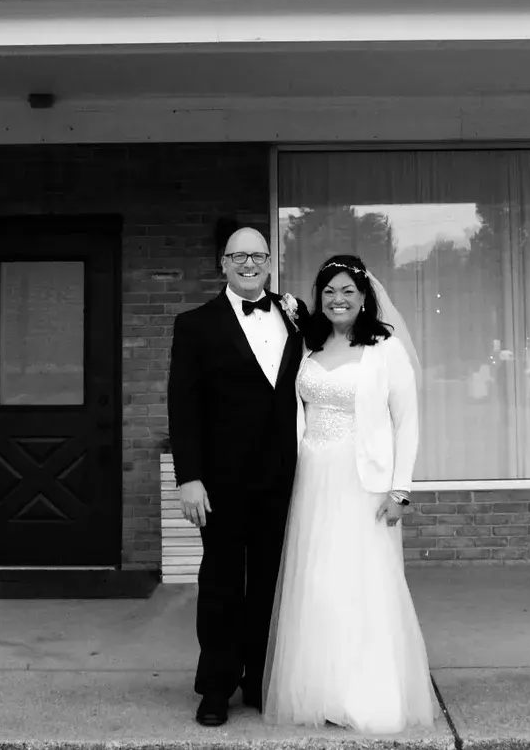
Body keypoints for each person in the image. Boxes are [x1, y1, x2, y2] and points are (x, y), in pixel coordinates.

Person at [263, 254, 438, 734]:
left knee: (362, 584)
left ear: (364, 298)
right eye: (328, 291)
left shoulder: (385, 349)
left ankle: (363, 694)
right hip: (312, 479)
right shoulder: (309, 344)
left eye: (347, 291)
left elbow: (407, 422)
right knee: (317, 583)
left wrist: (400, 491)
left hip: (363, 485)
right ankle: (322, 690)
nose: (337, 299)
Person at [167, 226, 308, 727]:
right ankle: (215, 686)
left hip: (283, 476)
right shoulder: (195, 324)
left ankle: (259, 679)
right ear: (223, 264)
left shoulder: (294, 315)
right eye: (239, 256)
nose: (250, 264)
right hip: (221, 480)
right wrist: (189, 477)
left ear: (269, 262)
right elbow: (183, 406)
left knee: (270, 580)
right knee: (222, 582)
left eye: (258, 256)